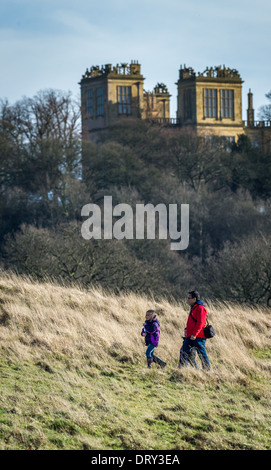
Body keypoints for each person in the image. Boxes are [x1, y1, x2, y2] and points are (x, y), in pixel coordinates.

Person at [179, 290, 211, 370]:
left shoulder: (200, 308)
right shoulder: (193, 308)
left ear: (194, 299)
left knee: (202, 354)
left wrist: (195, 334)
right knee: (183, 351)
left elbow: (201, 323)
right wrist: (187, 330)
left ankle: (207, 371)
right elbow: (192, 322)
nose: (187, 300)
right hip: (190, 336)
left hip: (198, 336)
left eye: (189, 298)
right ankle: (183, 370)